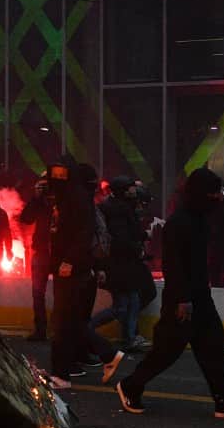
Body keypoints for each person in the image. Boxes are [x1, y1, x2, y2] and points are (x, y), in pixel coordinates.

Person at [114, 168, 224, 419]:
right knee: (166, 352)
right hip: (183, 301)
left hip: (200, 297)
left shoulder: (200, 217)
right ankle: (130, 385)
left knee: (214, 349)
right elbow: (174, 265)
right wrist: (183, 299)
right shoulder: (180, 222)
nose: (218, 197)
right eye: (213, 192)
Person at [47, 157, 124, 388]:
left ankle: (67, 372)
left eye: (63, 175)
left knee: (64, 321)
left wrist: (68, 261)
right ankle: (72, 368)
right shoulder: (72, 198)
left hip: (71, 268)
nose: (58, 179)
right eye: (55, 175)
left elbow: (82, 234)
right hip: (74, 267)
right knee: (68, 321)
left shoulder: (75, 199)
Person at [93, 176, 148, 352]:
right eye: (131, 187)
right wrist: (140, 241)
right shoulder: (117, 210)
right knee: (121, 306)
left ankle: (130, 337)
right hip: (119, 264)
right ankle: (86, 329)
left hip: (124, 263)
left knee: (133, 300)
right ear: (124, 190)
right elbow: (121, 239)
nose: (135, 190)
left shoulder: (121, 207)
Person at [19, 173, 53, 340]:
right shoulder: (39, 202)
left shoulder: (64, 200)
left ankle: (61, 330)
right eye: (42, 185)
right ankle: (40, 330)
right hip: (42, 251)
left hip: (60, 252)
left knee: (63, 295)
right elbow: (25, 219)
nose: (46, 188)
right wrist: (36, 199)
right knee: (37, 293)